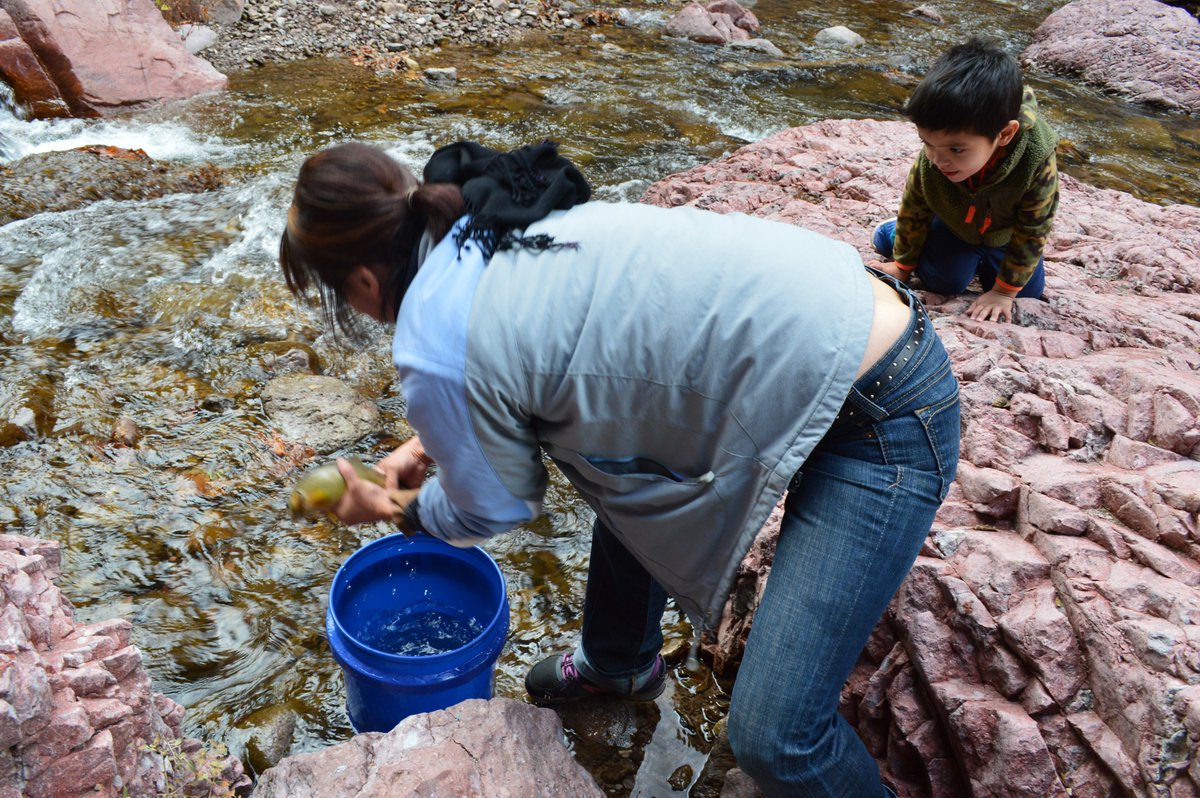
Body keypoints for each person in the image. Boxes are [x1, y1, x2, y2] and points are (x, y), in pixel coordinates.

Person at [279, 138, 961, 798]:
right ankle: (618, 664)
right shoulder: (481, 219)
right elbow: (537, 364)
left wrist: (392, 507)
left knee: (775, 740)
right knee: (609, 451)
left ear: (362, 280)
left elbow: (497, 505)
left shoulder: (430, 341)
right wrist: (435, 438)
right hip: (837, 322)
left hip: (884, 416)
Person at [870, 36, 1060, 323]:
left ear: (1004, 134)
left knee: (1026, 292)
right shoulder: (936, 156)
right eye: (927, 143)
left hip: (1003, 233)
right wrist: (903, 265)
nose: (938, 159)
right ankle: (890, 232)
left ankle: (987, 266)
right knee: (945, 281)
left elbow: (1034, 228)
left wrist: (1003, 292)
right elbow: (915, 206)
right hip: (954, 225)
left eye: (956, 150)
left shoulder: (1035, 158)